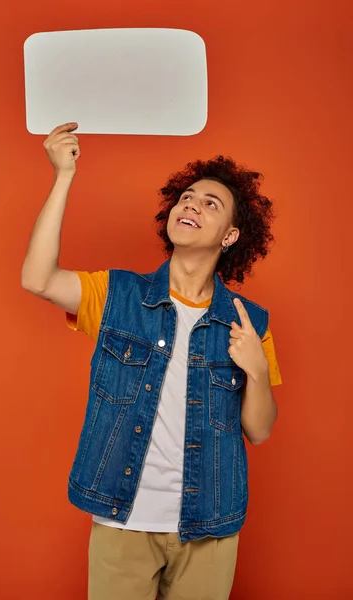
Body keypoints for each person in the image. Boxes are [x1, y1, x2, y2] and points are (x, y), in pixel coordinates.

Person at [22, 122, 282, 600]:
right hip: (123, 521)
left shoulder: (249, 322)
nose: (191, 204)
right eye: (187, 197)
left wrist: (257, 370)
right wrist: (63, 177)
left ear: (230, 236)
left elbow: (260, 430)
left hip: (210, 525)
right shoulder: (117, 294)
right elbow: (37, 278)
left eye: (210, 204)